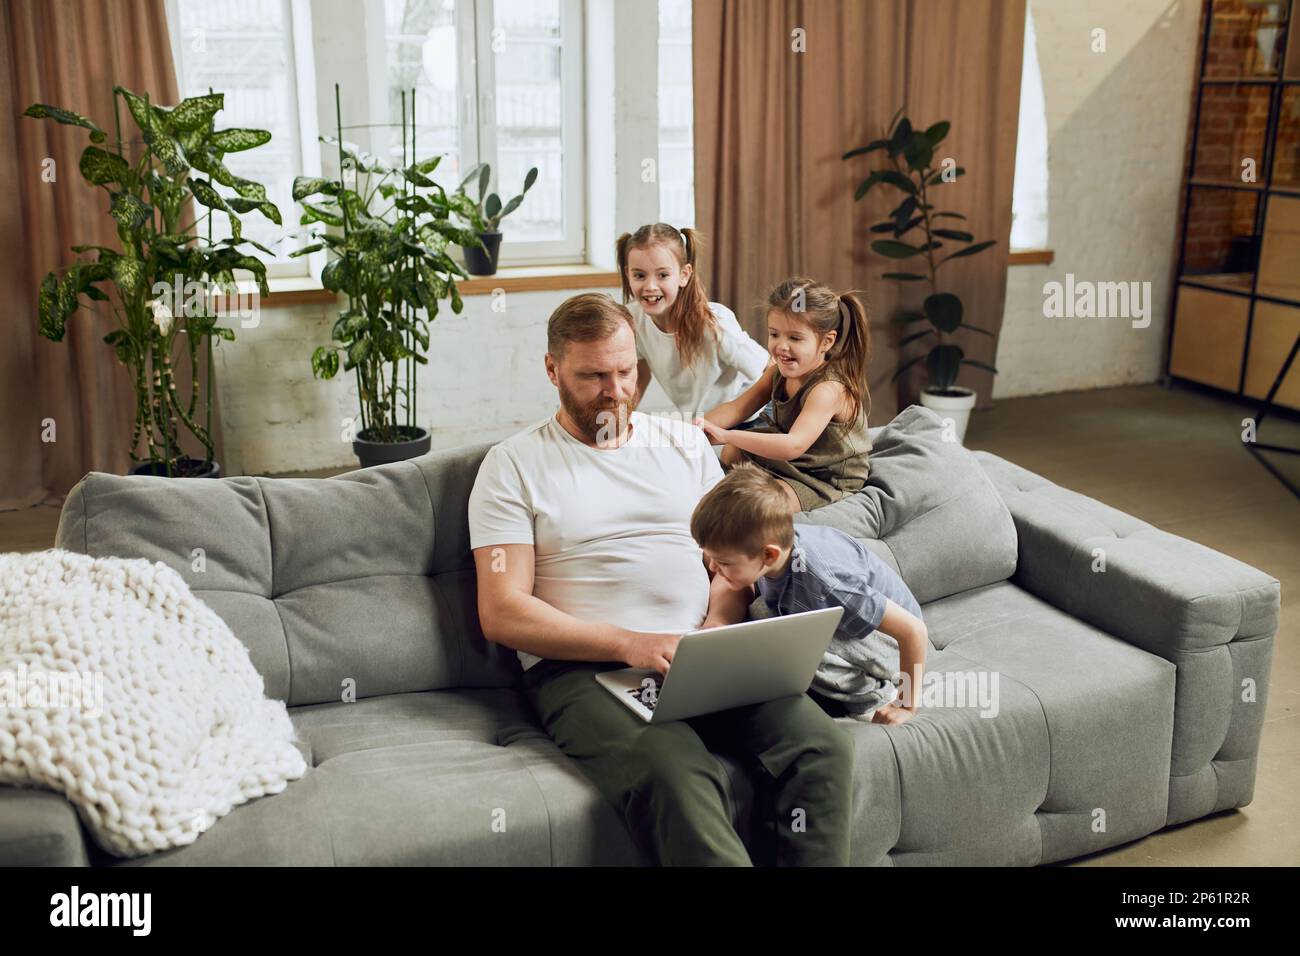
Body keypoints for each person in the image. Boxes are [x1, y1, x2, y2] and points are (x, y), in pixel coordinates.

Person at [467, 292, 853, 866]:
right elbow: (502, 612)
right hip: (585, 670)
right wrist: (630, 643)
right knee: (677, 771)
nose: (616, 391)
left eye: (625, 372)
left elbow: (729, 564)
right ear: (552, 370)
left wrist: (715, 626)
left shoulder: (680, 443)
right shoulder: (513, 466)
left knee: (821, 746)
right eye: (593, 375)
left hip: (697, 654)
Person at [690, 462, 928, 724]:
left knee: (791, 651)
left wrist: (906, 705)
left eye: (722, 562)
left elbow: (913, 630)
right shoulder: (774, 549)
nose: (712, 567)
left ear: (769, 555)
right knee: (759, 615)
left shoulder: (825, 580)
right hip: (834, 620)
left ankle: (873, 696)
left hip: (888, 644)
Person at [696, 277, 873, 512]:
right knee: (733, 453)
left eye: (795, 338)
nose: (781, 346)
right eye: (774, 334)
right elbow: (737, 408)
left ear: (826, 342)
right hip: (793, 462)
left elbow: (792, 445)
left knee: (764, 500)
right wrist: (697, 426)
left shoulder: (827, 390)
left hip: (822, 477)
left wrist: (728, 435)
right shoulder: (777, 372)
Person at [618, 222, 774, 429]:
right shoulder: (633, 319)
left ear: (684, 275)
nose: (650, 286)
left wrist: (728, 417)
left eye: (663, 275)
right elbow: (640, 375)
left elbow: (770, 370)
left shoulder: (714, 323)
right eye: (639, 275)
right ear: (628, 274)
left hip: (751, 418)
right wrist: (620, 421)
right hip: (701, 423)